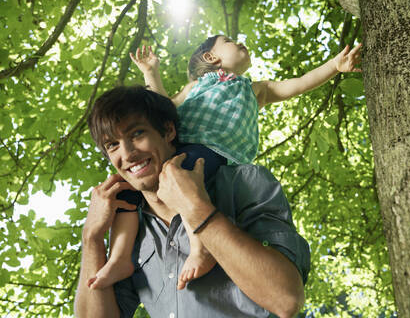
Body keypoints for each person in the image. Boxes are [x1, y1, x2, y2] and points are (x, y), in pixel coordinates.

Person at [89, 34, 361, 290]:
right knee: (127, 190)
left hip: (219, 155)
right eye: (229, 41)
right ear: (210, 57)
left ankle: (200, 249)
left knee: (181, 178)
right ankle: (120, 258)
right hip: (186, 147)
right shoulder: (196, 86)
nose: (239, 42)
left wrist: (335, 66)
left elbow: (299, 83)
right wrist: (151, 72)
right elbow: (160, 109)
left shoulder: (257, 89)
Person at [74, 85, 310, 318]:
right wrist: (92, 238)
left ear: (168, 131)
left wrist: (195, 208)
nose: (126, 154)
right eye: (112, 144)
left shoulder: (243, 183)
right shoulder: (128, 231)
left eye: (137, 133)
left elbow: (286, 299)